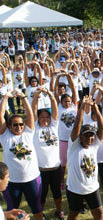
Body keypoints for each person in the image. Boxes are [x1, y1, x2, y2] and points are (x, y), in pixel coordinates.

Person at [0, 90, 43, 220]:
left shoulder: (28, 133)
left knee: (37, 207)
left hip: (32, 179)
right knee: (13, 210)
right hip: (12, 182)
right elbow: (1, 115)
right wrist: (6, 98)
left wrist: (23, 97)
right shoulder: (5, 136)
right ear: (9, 126)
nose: (19, 127)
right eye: (15, 125)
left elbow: (30, 114)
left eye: (21, 124)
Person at [66, 96, 103, 220]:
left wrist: (96, 109)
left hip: (92, 188)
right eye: (86, 135)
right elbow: (77, 126)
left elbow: (102, 128)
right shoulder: (74, 146)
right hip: (75, 189)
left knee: (99, 213)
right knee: (73, 215)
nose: (89, 138)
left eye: (91, 135)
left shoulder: (94, 146)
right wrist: (82, 108)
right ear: (80, 137)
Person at [31, 87, 64, 219]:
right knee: (42, 194)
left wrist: (51, 95)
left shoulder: (54, 126)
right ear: (38, 118)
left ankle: (59, 210)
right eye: (42, 117)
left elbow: (55, 110)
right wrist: (36, 97)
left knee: (57, 192)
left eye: (47, 117)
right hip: (41, 169)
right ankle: (41, 213)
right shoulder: (34, 129)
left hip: (55, 167)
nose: (45, 119)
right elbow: (33, 111)